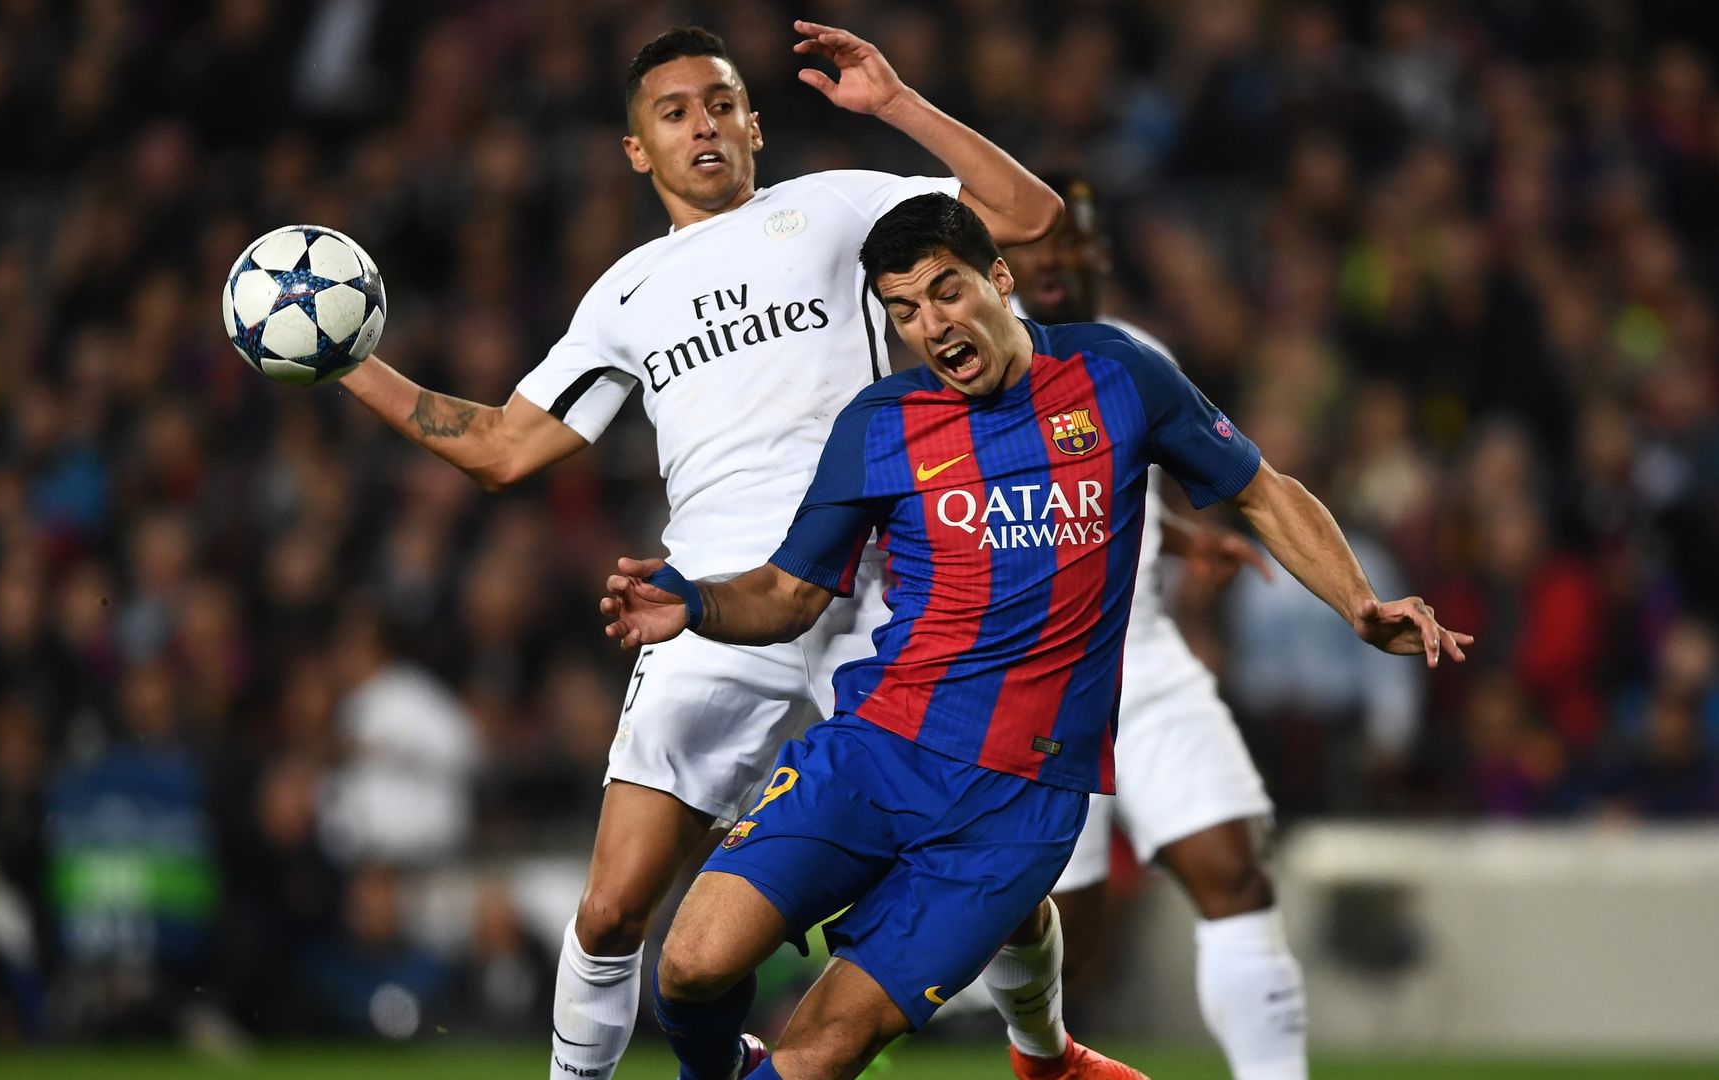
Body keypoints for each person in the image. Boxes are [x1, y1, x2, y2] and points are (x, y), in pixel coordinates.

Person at [331, 22, 1064, 1080]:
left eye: (721, 103)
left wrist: (898, 104)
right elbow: (499, 447)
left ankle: (1045, 1052)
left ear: (755, 125)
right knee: (614, 902)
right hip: (716, 603)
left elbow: (1026, 217)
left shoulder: (842, 205)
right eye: (673, 113)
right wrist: (350, 364)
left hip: (882, 588)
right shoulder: (625, 293)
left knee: (995, 860)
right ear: (639, 151)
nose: (702, 125)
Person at [601, 193, 1470, 1080]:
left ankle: (1038, 1052)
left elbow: (1259, 489)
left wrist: (1360, 605)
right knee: (688, 966)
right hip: (875, 749)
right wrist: (693, 603)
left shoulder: (1116, 376)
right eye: (904, 310)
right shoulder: (879, 422)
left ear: (1000, 278)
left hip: (1016, 799)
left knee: (819, 1055)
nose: (931, 325)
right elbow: (787, 594)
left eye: (946, 292)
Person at [1001, 174, 1311, 1080]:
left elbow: (1112, 487)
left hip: (1143, 658)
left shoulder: (1133, 353)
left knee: (1235, 873)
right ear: (1000, 260)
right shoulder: (970, 367)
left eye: (1072, 243)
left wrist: (1176, 537)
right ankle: (1042, 1060)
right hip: (1038, 689)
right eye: (1034, 245)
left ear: (1098, 256)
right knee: (1065, 939)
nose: (1053, 260)